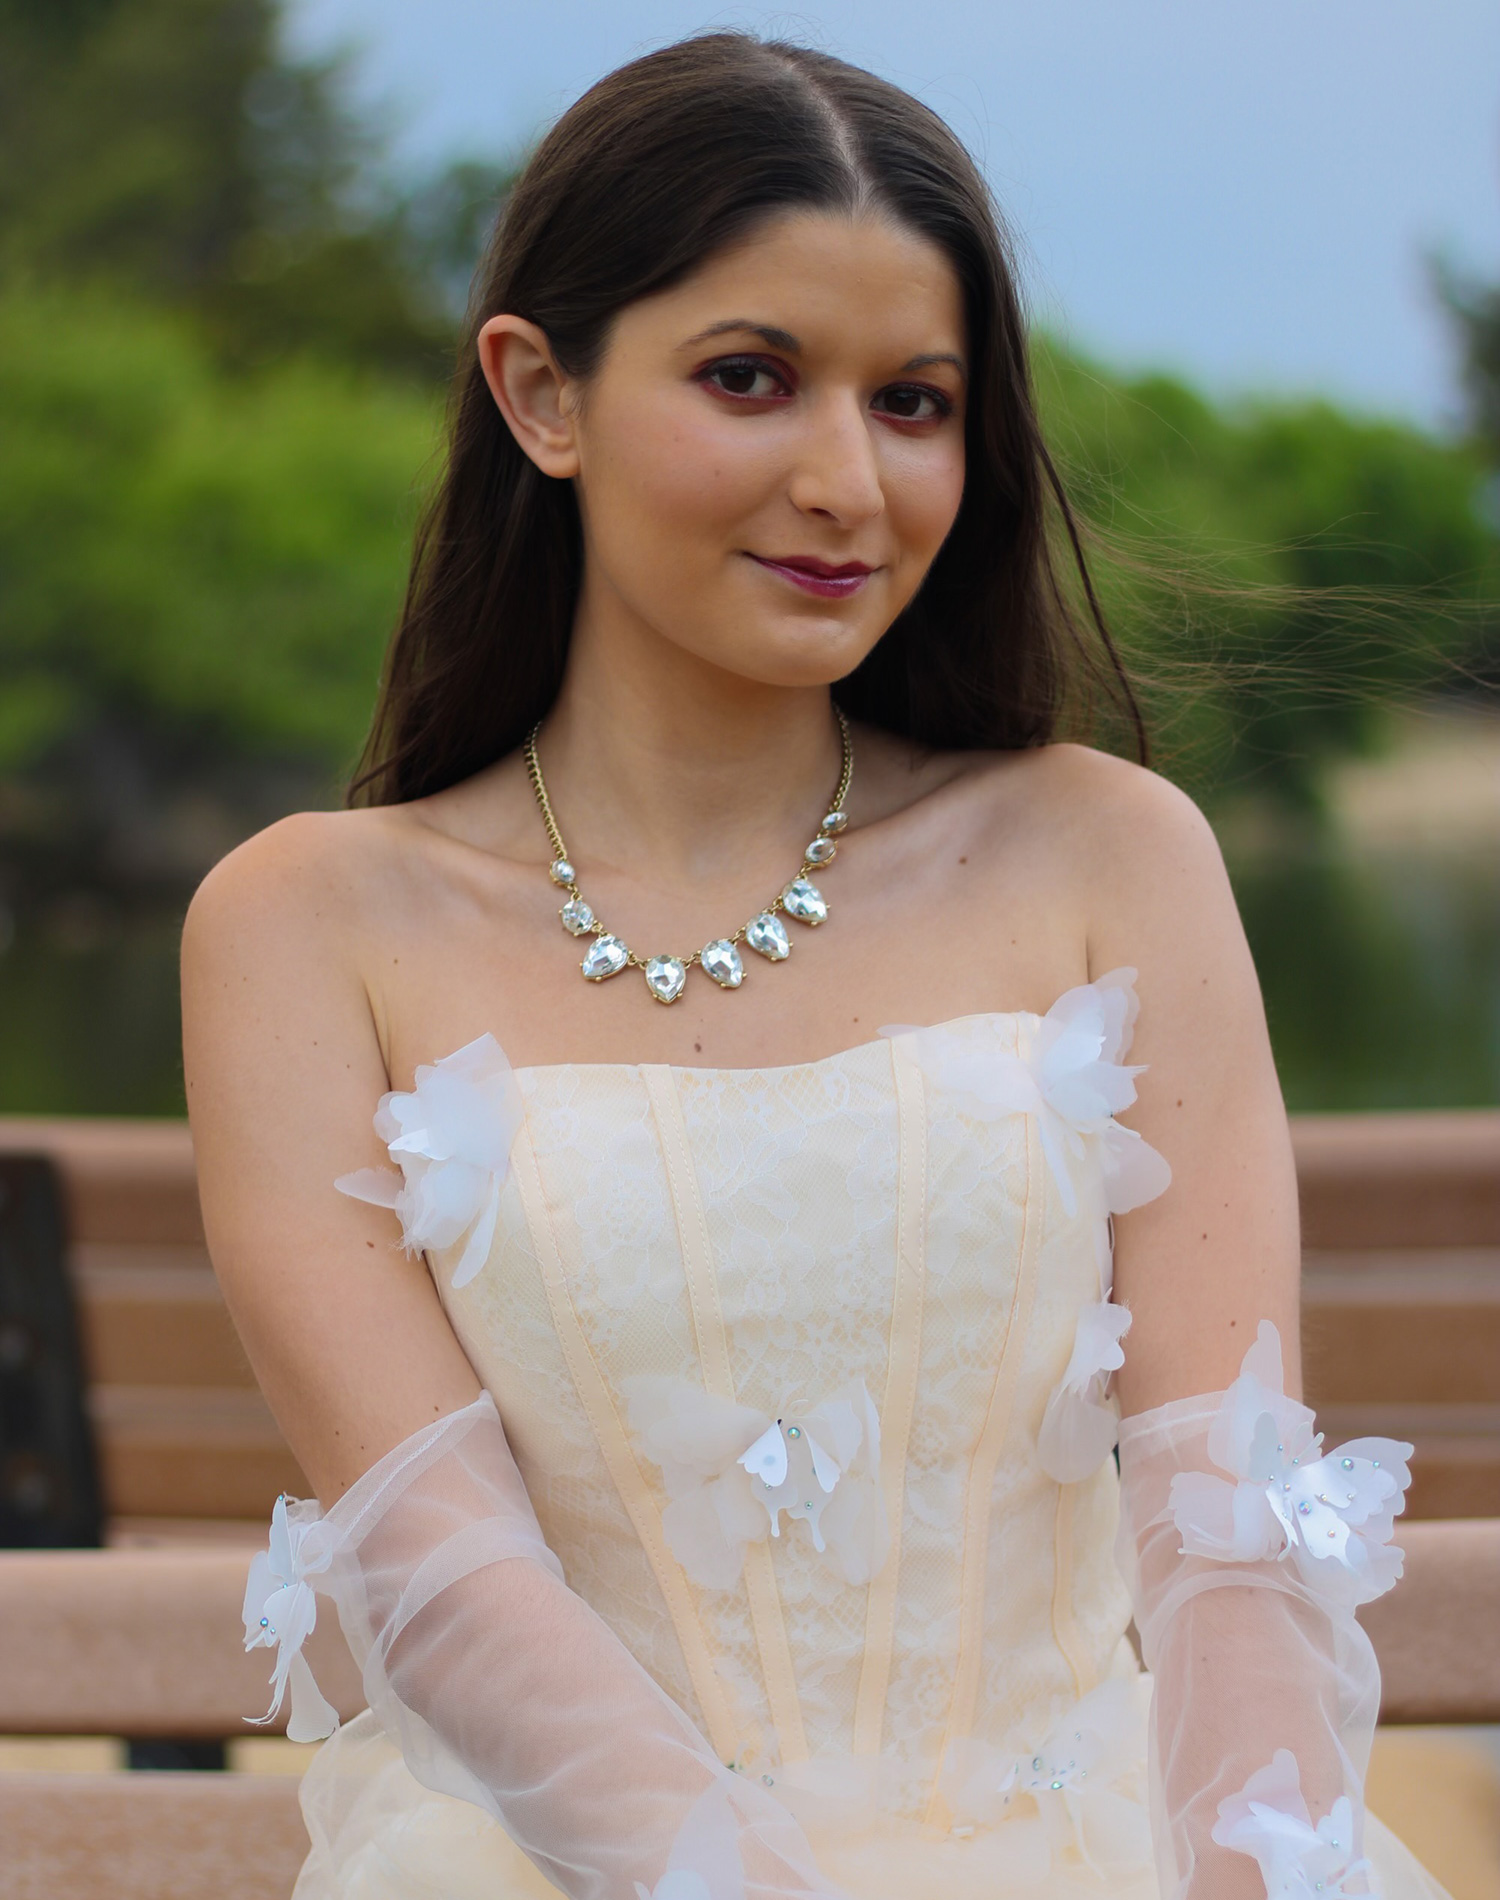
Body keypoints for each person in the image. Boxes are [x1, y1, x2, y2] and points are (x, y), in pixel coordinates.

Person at [182, 33, 1450, 1900]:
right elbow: (448, 1590)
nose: (849, 481)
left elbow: (1225, 1517)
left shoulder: (1113, 855)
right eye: (752, 379)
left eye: (917, 402)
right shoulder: (309, 926)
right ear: (542, 392)